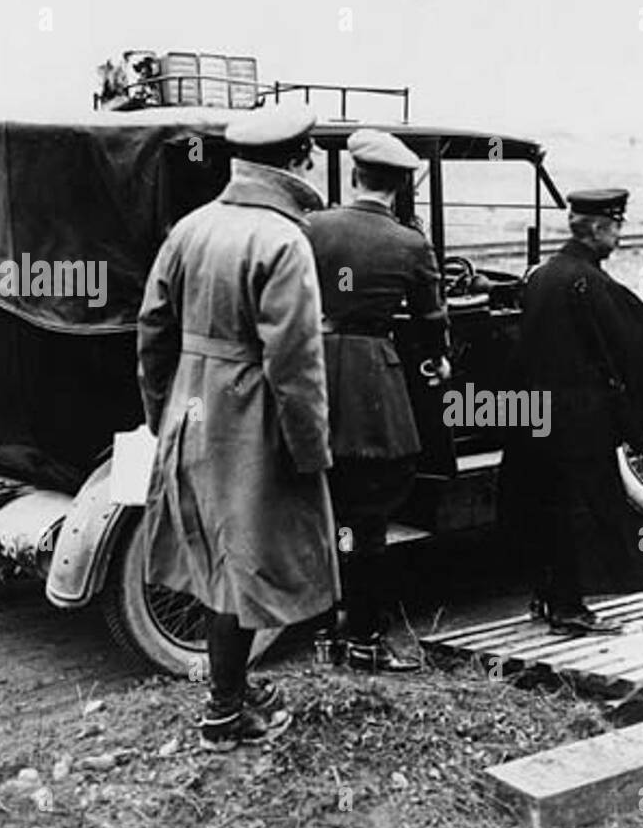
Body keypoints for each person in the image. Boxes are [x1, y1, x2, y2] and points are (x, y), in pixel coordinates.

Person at [137, 105, 338, 751]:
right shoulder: (284, 241)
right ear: (299, 159)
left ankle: (232, 692)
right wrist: (311, 448)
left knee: (218, 556)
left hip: (190, 411)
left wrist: (162, 414)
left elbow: (151, 335)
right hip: (249, 418)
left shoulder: (190, 228)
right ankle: (224, 713)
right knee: (245, 564)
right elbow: (296, 362)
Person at [499, 189, 643, 636]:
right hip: (577, 421)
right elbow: (633, 340)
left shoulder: (544, 274)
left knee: (544, 507)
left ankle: (548, 599)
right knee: (582, 511)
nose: (620, 236)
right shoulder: (590, 281)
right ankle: (571, 610)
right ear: (596, 230)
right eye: (616, 227)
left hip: (534, 415)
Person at [306, 129, 450, 672]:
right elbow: (432, 321)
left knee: (319, 509)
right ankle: (366, 639)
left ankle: (324, 636)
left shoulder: (312, 226)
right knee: (369, 522)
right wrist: (440, 359)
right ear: (399, 185)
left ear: (356, 176)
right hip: (372, 382)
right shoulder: (410, 243)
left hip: (312, 372)